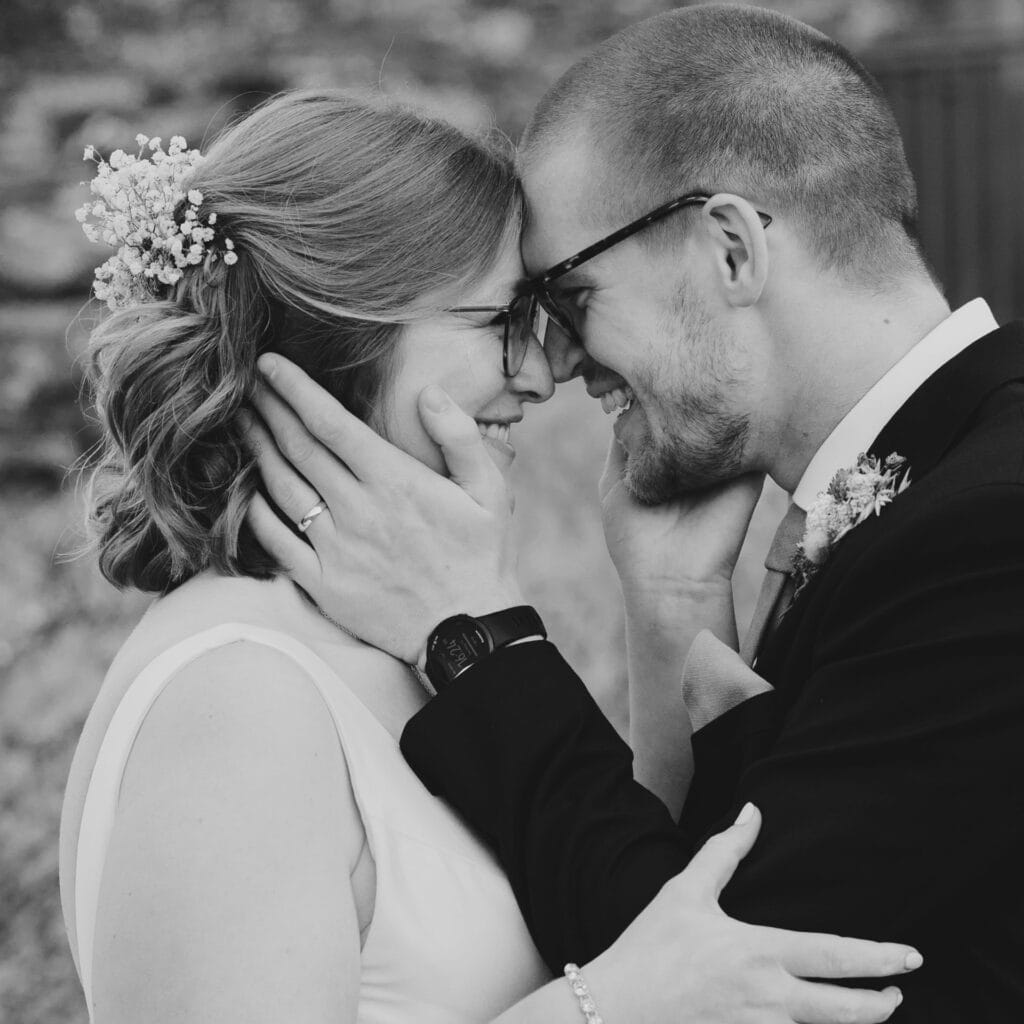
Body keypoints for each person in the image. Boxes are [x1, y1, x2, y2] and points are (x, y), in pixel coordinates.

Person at [57, 89, 915, 1024]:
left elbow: (633, 900)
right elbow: (649, 974)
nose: (541, 375)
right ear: (346, 328)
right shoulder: (238, 697)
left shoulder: (400, 632)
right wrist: (610, 1007)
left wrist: (669, 601)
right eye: (500, 322)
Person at [246, 6, 1024, 1023]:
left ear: (731, 250)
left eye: (567, 297)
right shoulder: (941, 482)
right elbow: (714, 903)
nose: (559, 363)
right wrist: (671, 605)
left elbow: (736, 980)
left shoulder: (987, 533)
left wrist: (477, 637)